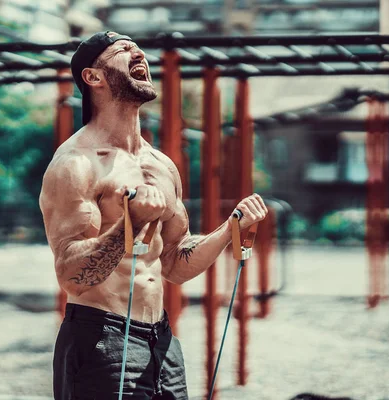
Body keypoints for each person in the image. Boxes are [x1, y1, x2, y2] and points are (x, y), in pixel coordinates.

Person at [39, 31, 268, 400]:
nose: (138, 53)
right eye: (123, 50)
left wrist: (230, 229)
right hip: (101, 337)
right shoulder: (75, 164)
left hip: (160, 338)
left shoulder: (160, 165)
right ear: (93, 77)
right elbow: (72, 276)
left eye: (138, 48)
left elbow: (175, 264)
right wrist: (129, 226)